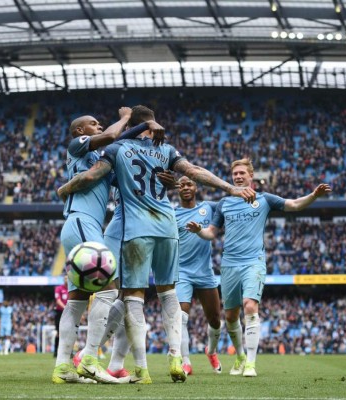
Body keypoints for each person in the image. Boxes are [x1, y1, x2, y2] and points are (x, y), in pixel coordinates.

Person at [57, 105, 255, 384]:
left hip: (133, 227)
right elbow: (194, 171)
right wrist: (231, 189)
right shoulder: (167, 151)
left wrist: (65, 188)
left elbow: (92, 176)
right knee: (167, 294)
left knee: (129, 296)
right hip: (166, 224)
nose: (103, 127)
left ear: (132, 127)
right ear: (150, 127)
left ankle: (132, 366)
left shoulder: (116, 150)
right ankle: (175, 357)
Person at [187, 158, 332, 377]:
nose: (237, 176)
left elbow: (293, 204)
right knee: (230, 316)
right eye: (235, 173)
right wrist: (199, 229)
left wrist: (313, 196)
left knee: (250, 306)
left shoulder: (265, 199)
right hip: (229, 265)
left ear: (251, 176)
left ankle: (251, 365)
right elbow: (211, 233)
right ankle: (240, 357)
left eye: (242, 173)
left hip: (253, 262)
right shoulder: (225, 203)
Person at [52, 107, 164, 385]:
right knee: (109, 290)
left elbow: (129, 178)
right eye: (93, 123)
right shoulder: (76, 147)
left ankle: (62, 368)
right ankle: (89, 361)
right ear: (80, 131)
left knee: (77, 299)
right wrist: (127, 117)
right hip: (81, 222)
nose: (99, 125)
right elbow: (114, 134)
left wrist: (145, 129)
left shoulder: (99, 160)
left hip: (85, 226)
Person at [170, 176, 223, 375]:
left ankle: (211, 351)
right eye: (181, 184)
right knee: (181, 317)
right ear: (177, 189)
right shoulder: (172, 213)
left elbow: (231, 205)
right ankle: (186, 362)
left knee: (215, 319)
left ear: (196, 187)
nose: (185, 187)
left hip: (204, 272)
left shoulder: (209, 207)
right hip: (182, 271)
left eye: (189, 184)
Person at [53, 275, 68, 358]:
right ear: (63, 279)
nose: (66, 279)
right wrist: (65, 307)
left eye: (67, 278)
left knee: (69, 332)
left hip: (69, 313)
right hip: (60, 312)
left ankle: (68, 351)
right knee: (59, 333)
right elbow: (58, 300)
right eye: (65, 278)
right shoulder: (58, 288)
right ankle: (56, 351)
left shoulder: (71, 290)